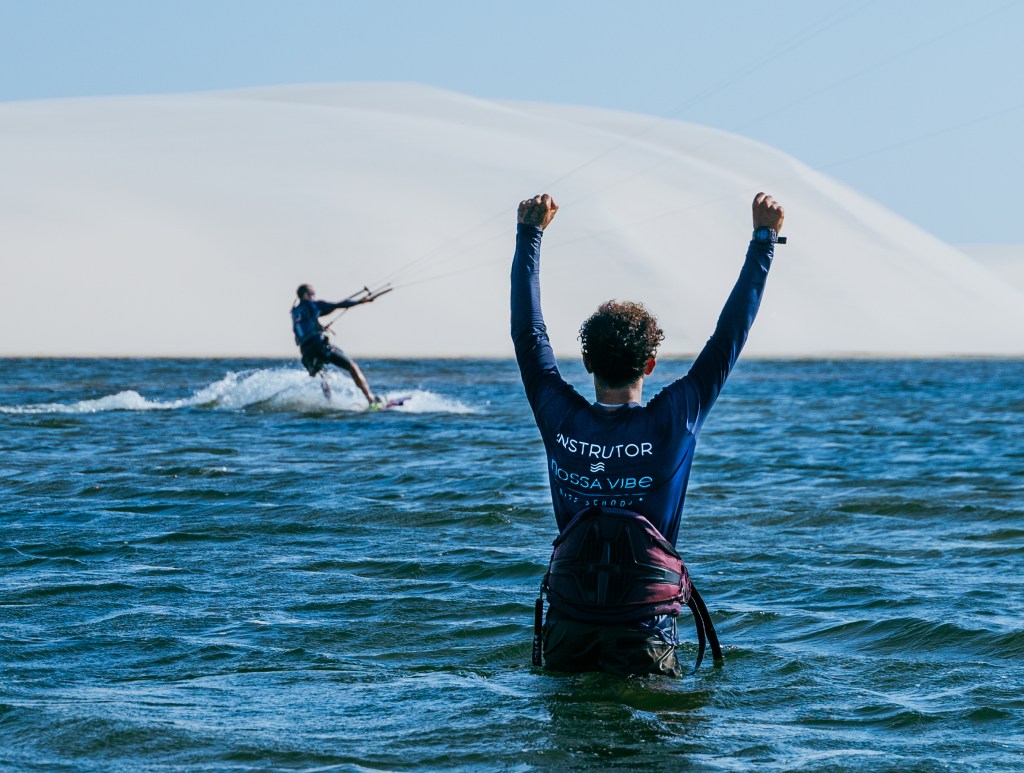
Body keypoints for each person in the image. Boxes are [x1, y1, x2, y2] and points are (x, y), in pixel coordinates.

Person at [511, 192, 785, 676]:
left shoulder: (557, 414)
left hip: (568, 627)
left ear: (588, 363)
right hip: (645, 629)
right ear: (651, 364)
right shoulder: (674, 419)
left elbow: (529, 335)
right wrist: (763, 242)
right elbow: (729, 337)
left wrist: (529, 236)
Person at [291, 284, 379, 405]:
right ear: (306, 295)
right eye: (313, 294)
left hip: (306, 353)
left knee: (323, 375)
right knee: (352, 366)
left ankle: (329, 403)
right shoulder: (312, 305)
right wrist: (360, 302)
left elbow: (302, 332)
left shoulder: (296, 312)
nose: (315, 297)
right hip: (319, 346)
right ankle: (370, 399)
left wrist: (319, 328)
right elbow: (337, 305)